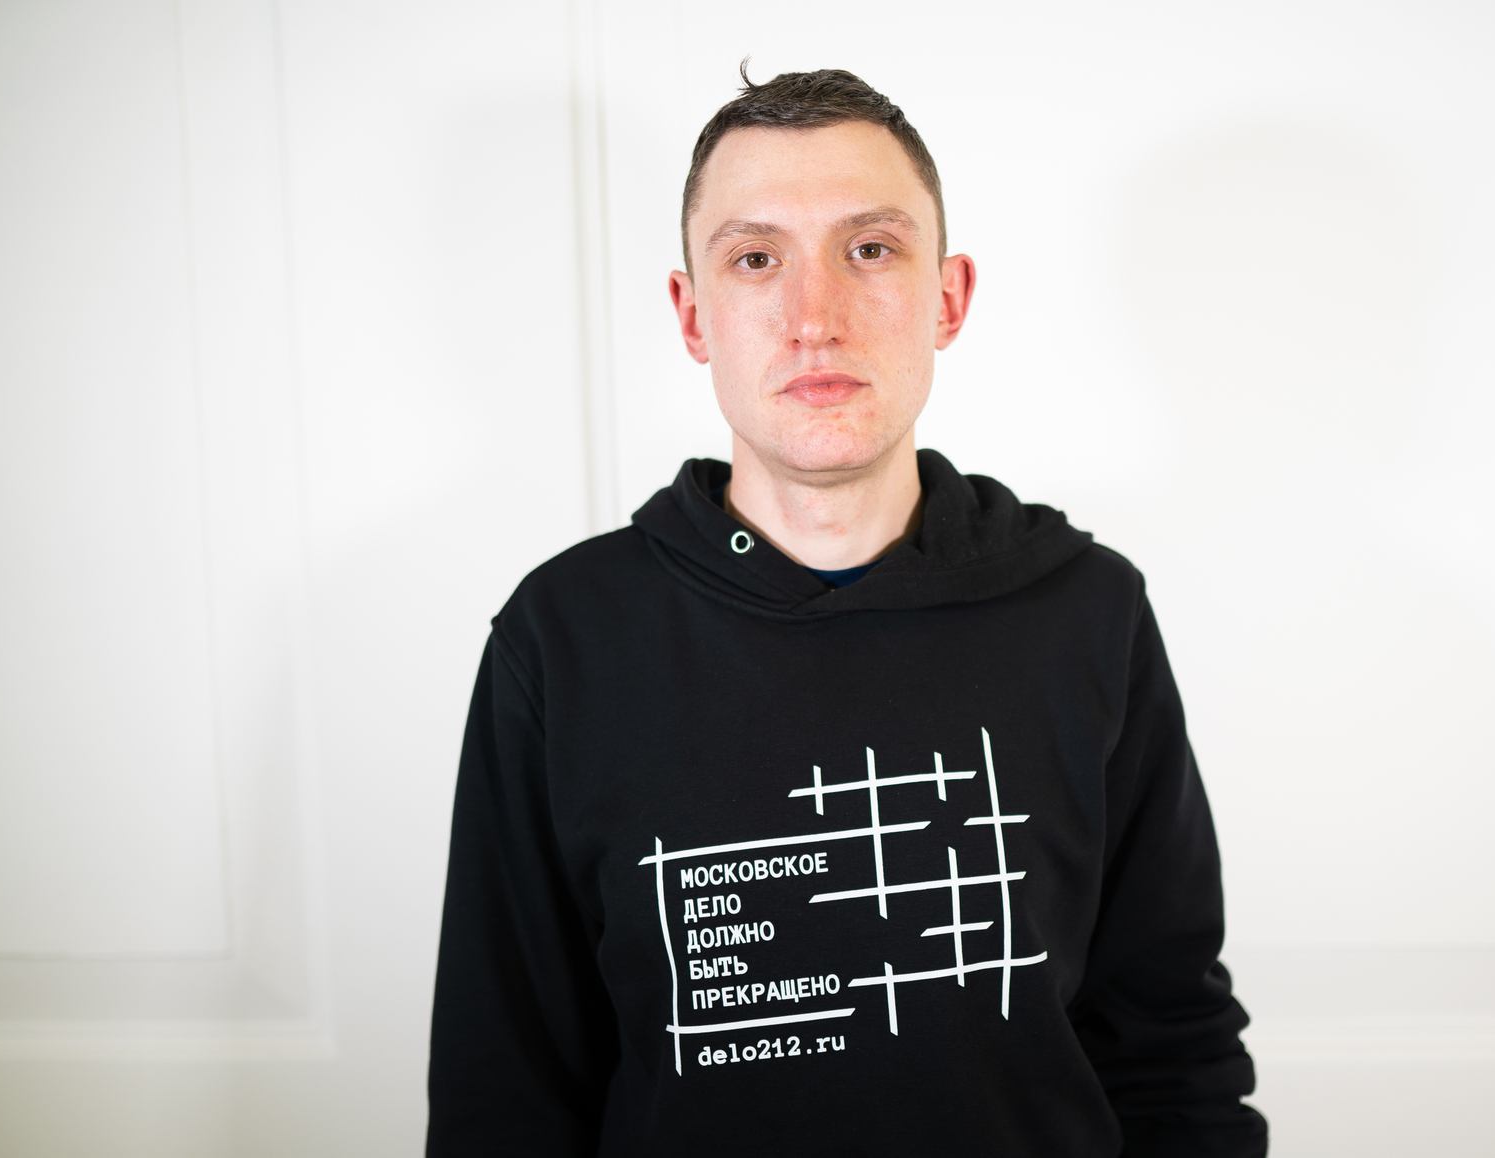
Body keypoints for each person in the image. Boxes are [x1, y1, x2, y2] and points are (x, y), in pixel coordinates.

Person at [427, 66, 1266, 1157]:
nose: (813, 319)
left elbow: (1171, 1048)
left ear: (947, 298)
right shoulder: (563, 641)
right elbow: (503, 1090)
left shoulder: (1085, 612)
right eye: (755, 259)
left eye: (868, 249)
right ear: (692, 314)